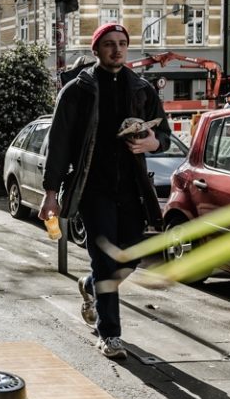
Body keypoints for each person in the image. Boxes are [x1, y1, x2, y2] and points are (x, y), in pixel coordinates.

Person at [37, 22, 166, 361]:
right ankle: (109, 334)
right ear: (96, 50)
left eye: (122, 43)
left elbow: (162, 134)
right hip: (92, 189)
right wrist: (50, 193)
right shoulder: (77, 90)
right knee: (106, 259)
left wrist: (152, 141)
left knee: (135, 252)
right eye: (109, 44)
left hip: (133, 190)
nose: (117, 49)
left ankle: (91, 286)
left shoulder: (141, 89)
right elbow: (59, 145)